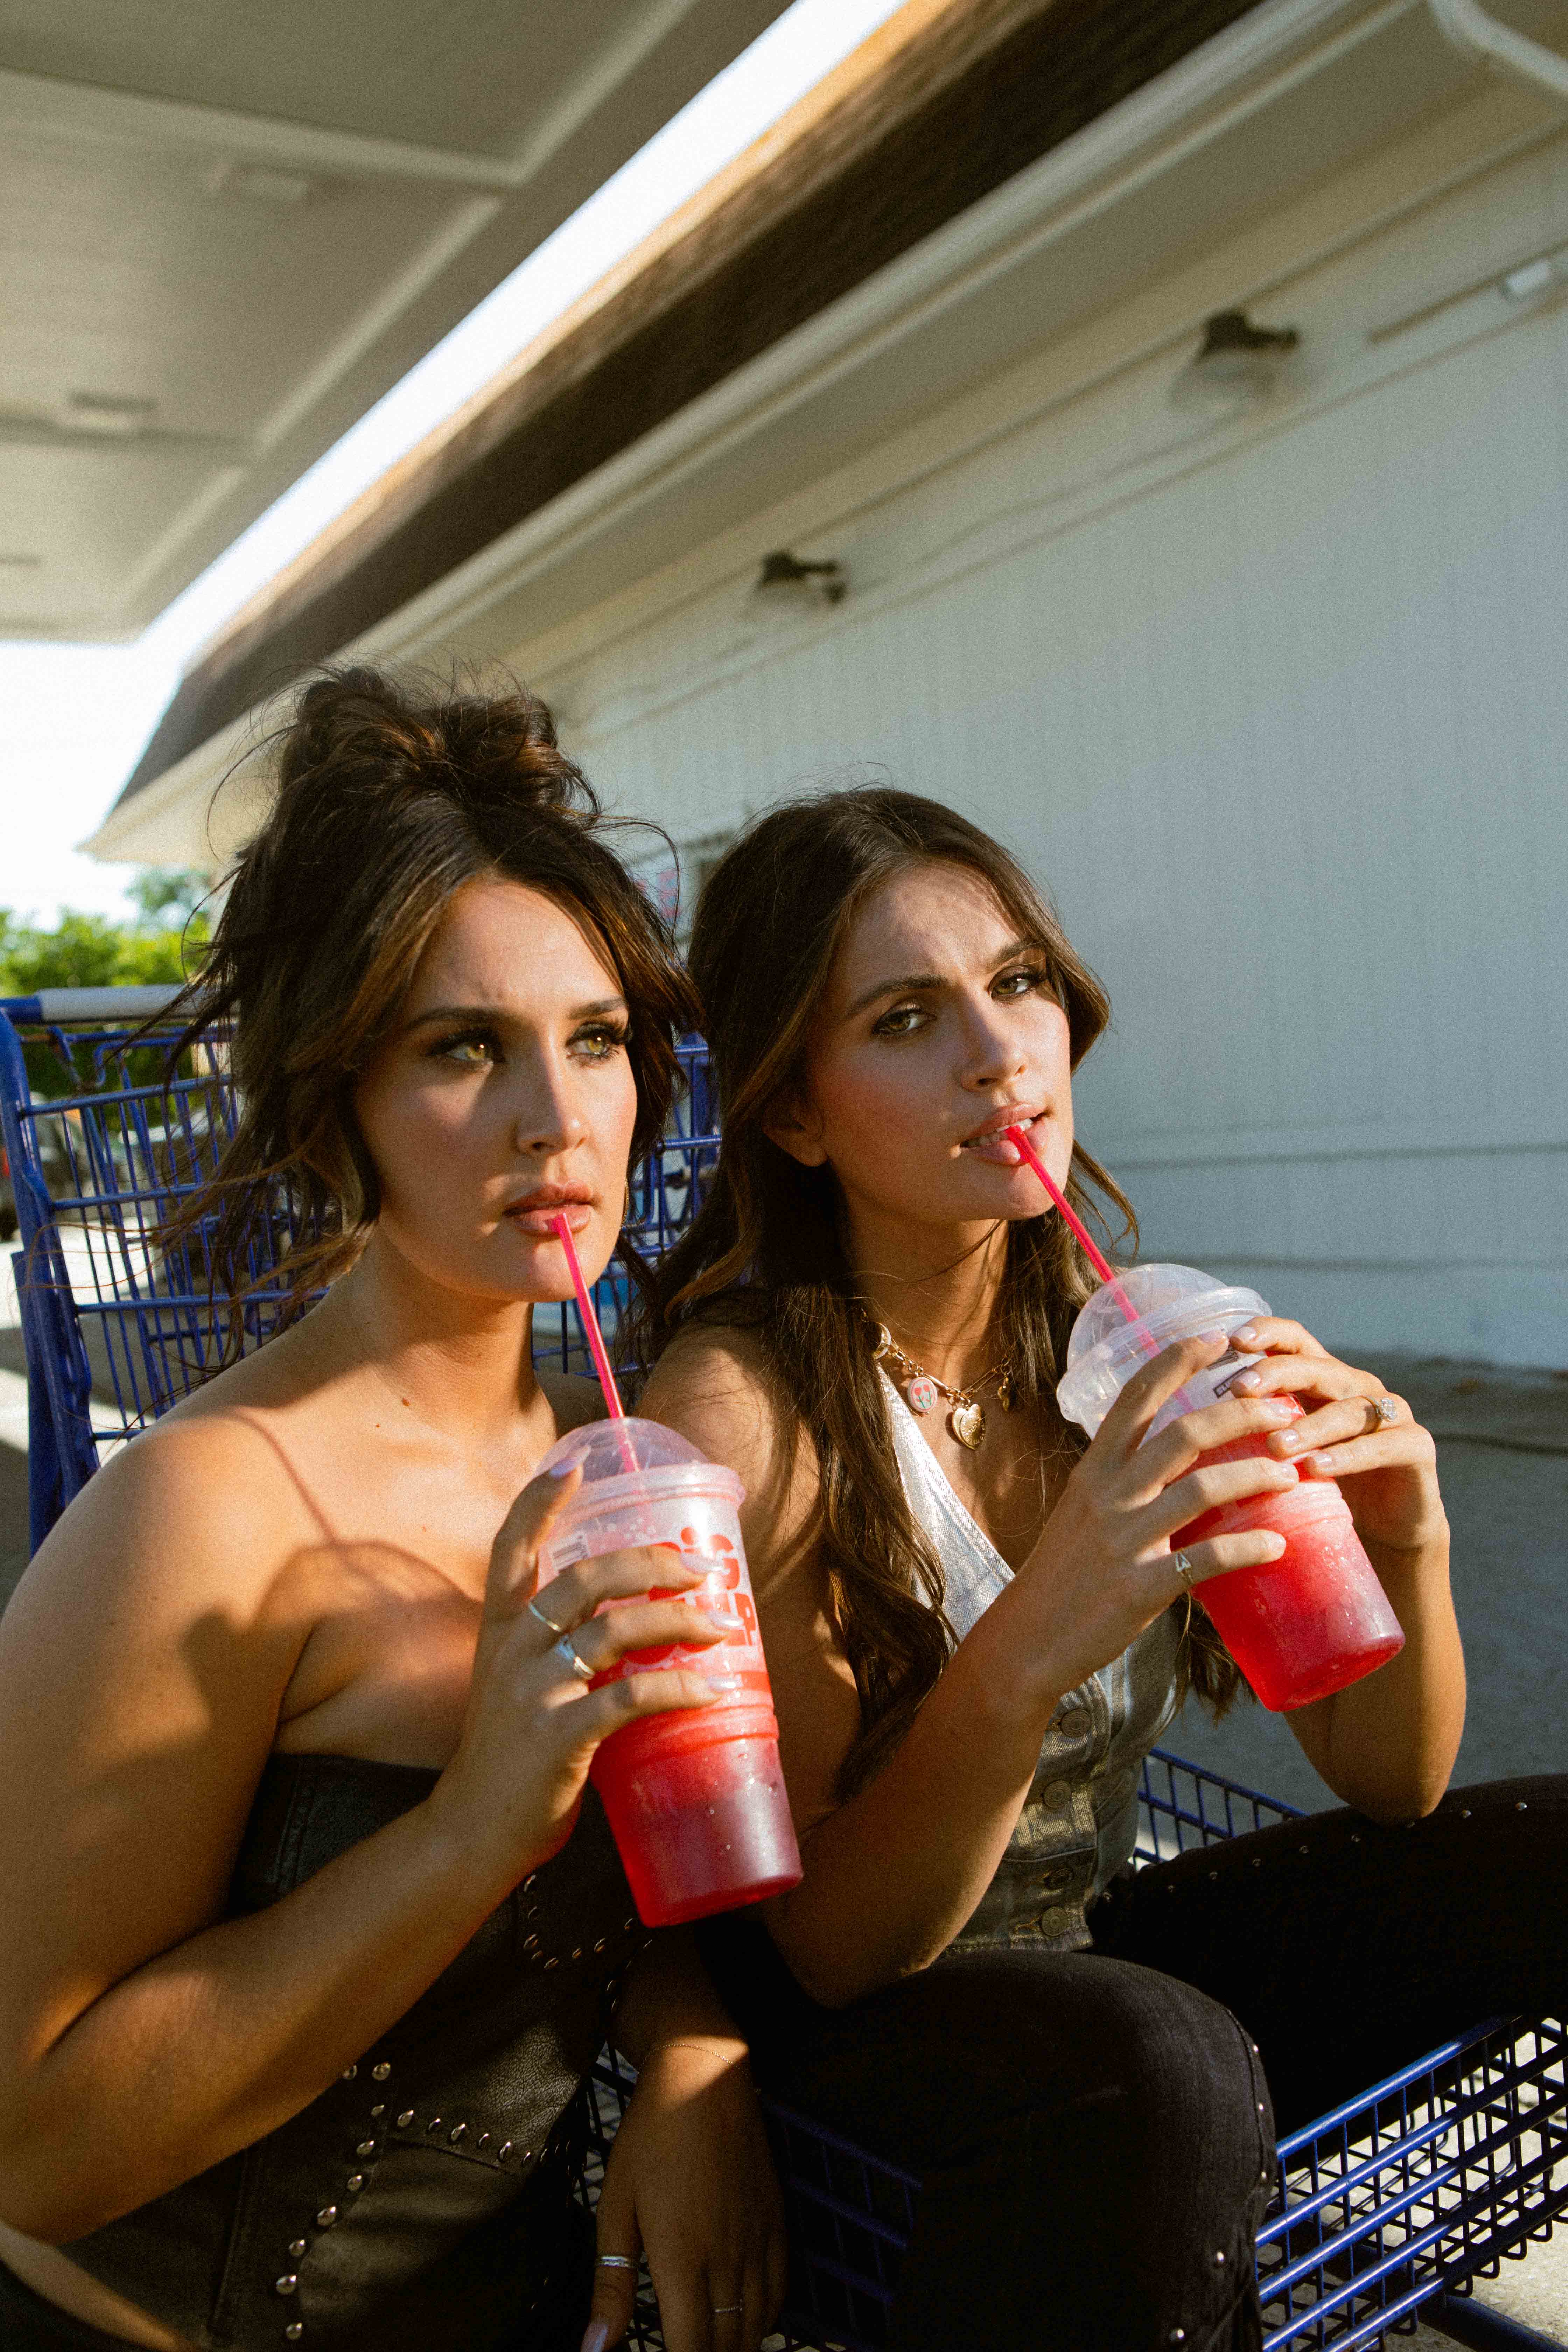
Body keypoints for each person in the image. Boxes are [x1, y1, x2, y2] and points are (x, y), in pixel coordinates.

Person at [636, 785, 1567, 2352]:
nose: (998, 1053)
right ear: (793, 1112)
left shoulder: (1119, 1343)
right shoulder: (740, 1418)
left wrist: (1407, 1533)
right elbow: (827, 1949)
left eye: (1018, 986)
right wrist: (1032, 1637)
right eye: (905, 1017)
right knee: (1168, 2067)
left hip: (1101, 1980)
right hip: (863, 2043)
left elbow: (1386, 1777)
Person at [0, 671, 786, 2352]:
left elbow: (618, 1880)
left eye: (595, 1042)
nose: (554, 1119)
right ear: (335, 1099)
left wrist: (691, 2040)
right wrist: (464, 1825)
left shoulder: (602, 1448)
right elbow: (35, 2151)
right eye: (460, 1049)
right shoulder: (202, 1509)